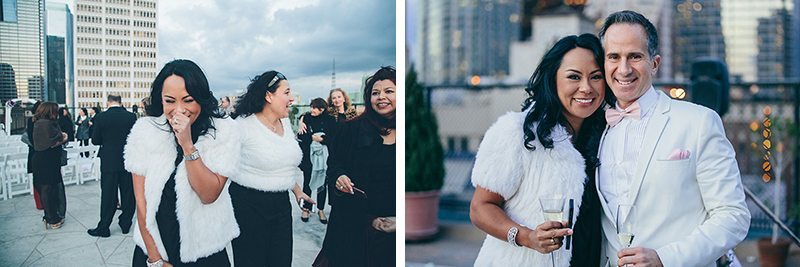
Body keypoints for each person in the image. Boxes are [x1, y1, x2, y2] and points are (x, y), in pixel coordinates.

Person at [596, 10, 750, 266]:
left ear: (654, 63)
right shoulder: (595, 128)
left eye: (635, 56)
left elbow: (733, 215)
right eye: (614, 57)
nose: (623, 69)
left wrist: (665, 259)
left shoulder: (699, 122)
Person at [468, 34, 610, 266]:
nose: (586, 88)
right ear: (552, 79)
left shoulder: (609, 136)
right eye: (574, 76)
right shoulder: (516, 131)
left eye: (596, 77)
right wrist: (527, 237)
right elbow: (480, 208)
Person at [125, 59, 240, 266]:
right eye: (170, 101)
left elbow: (209, 194)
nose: (179, 110)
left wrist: (187, 145)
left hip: (205, 252)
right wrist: (155, 258)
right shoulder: (145, 131)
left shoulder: (223, 132)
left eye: (188, 100)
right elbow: (141, 202)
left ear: (201, 99)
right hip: (155, 248)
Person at [228, 70, 314, 266]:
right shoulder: (242, 126)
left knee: (281, 261)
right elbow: (224, 166)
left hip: (281, 206)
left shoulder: (284, 122)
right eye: (286, 93)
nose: (292, 98)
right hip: (248, 206)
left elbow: (284, 165)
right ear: (269, 96)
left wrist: (298, 192)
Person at [315, 66, 397, 267]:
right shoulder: (352, 129)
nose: (381, 97)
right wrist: (339, 176)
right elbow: (334, 162)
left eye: (389, 91)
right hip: (352, 224)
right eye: (375, 93)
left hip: (390, 234)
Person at [87, 95, 137, 238]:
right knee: (128, 193)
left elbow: (96, 140)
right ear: (121, 102)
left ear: (108, 102)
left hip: (109, 160)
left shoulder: (101, 117)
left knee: (108, 194)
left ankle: (104, 227)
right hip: (127, 159)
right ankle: (125, 224)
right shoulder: (131, 117)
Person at [32, 102, 69, 229]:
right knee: (49, 189)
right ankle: (52, 218)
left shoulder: (38, 122)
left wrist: (62, 138)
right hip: (47, 160)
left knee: (46, 189)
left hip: (44, 160)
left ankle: (50, 216)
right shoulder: (46, 124)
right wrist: (63, 137)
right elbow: (55, 140)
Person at [297, 98, 335, 223]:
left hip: (324, 157)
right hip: (309, 156)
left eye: (314, 108)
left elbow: (333, 138)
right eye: (311, 107)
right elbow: (301, 136)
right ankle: (306, 209)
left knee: (322, 184)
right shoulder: (306, 118)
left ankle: (320, 209)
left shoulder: (329, 120)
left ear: (322, 109)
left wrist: (322, 139)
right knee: (307, 182)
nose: (312, 110)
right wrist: (312, 137)